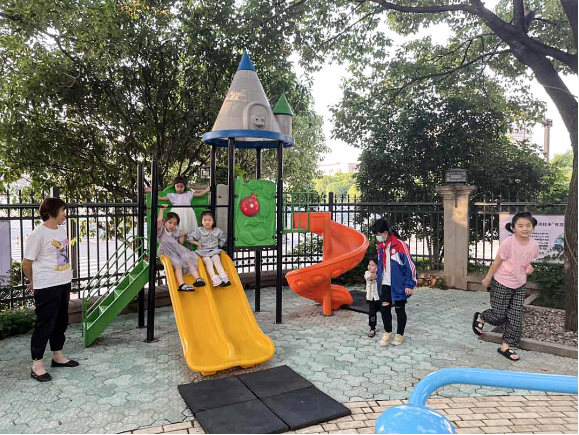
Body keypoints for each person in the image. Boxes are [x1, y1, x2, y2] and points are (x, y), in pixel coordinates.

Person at [22, 198, 79, 382]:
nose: (65, 214)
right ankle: (37, 365)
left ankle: (57, 356)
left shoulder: (61, 230)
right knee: (44, 324)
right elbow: (26, 263)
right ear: (52, 211)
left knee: (61, 322)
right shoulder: (38, 234)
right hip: (46, 285)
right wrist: (33, 281)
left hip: (63, 282)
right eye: (62, 210)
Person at [472, 212, 539, 361]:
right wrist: (488, 278)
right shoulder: (508, 243)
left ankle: (506, 347)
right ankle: (482, 317)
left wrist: (529, 267)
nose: (525, 228)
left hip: (519, 284)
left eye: (528, 225)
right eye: (520, 226)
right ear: (514, 228)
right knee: (499, 315)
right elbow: (497, 261)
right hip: (502, 282)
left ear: (532, 227)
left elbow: (526, 260)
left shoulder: (534, 245)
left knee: (516, 317)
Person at [372, 218, 417, 347]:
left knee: (399, 309)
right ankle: (387, 331)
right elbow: (381, 263)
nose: (377, 237)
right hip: (385, 282)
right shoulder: (381, 246)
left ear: (385, 232)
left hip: (399, 283)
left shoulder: (400, 245)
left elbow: (410, 265)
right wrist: (377, 273)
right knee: (384, 308)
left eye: (378, 234)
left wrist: (410, 284)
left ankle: (399, 334)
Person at [157, 205, 205, 291]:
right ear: (164, 222)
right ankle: (182, 285)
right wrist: (161, 210)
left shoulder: (176, 231)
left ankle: (198, 279)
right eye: (170, 222)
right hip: (167, 252)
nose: (172, 225)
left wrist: (182, 236)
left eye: (175, 224)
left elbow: (181, 242)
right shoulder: (161, 230)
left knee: (189, 260)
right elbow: (159, 221)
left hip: (178, 250)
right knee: (178, 265)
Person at [187, 211, 230, 287]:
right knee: (209, 262)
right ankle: (214, 278)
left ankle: (223, 276)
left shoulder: (217, 231)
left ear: (213, 221)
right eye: (205, 220)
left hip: (214, 251)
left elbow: (223, 238)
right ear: (201, 221)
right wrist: (197, 243)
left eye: (209, 220)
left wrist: (221, 245)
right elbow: (189, 238)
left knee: (217, 260)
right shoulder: (199, 230)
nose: (207, 222)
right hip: (203, 252)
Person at [364, 258, 382, 338]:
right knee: (372, 313)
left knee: (384, 312)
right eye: (369, 264)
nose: (370, 266)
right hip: (370, 298)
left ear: (377, 267)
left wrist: (378, 274)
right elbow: (368, 278)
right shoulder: (367, 273)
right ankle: (372, 328)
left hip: (379, 298)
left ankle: (388, 329)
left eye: (372, 265)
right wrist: (373, 277)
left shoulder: (380, 273)